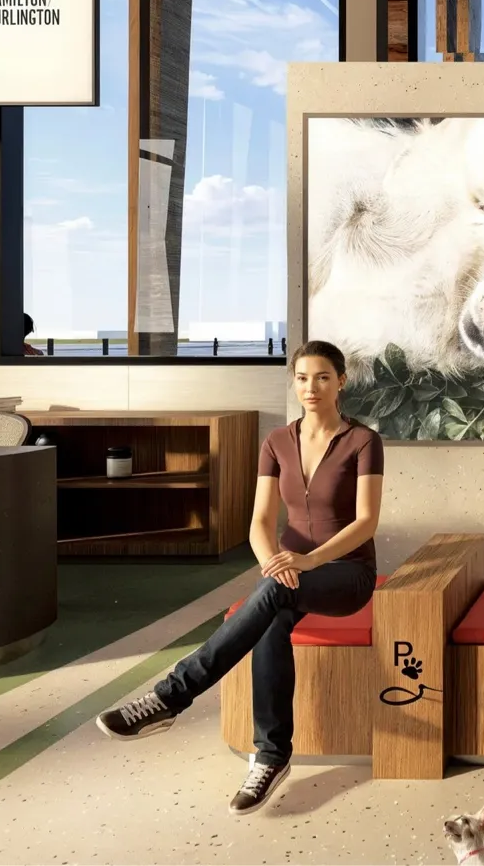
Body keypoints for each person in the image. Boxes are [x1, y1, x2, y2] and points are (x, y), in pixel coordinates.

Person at [94, 340, 382, 815]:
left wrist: (308, 562)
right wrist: (275, 562)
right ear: (294, 382)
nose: (311, 387)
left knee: (273, 598)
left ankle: (171, 697)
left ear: (341, 382)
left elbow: (366, 522)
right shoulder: (277, 442)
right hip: (287, 574)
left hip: (346, 573)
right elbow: (260, 522)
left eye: (323, 377)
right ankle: (270, 757)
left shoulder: (363, 441)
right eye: (302, 378)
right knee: (273, 617)